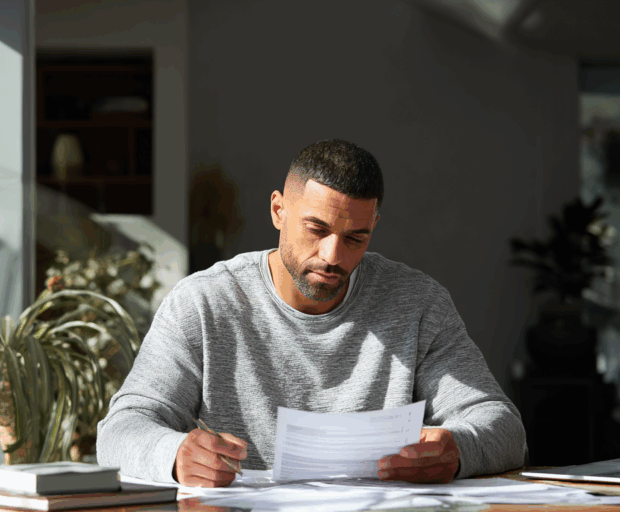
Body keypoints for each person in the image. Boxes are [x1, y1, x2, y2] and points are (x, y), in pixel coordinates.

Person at [96, 139, 527, 487]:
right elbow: (121, 430)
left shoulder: (417, 304)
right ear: (278, 211)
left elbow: (504, 427)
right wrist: (175, 455)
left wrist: (458, 450)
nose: (333, 255)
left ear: (374, 225)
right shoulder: (204, 303)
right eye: (317, 229)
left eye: (356, 238)